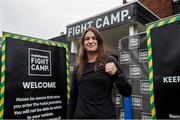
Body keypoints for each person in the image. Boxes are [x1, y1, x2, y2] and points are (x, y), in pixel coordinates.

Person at [68, 27, 132, 119]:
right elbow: (73, 97)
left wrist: (116, 74)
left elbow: (127, 92)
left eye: (94, 38)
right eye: (87, 39)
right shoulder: (78, 66)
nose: (90, 41)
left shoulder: (109, 61)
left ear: (99, 42)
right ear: (83, 43)